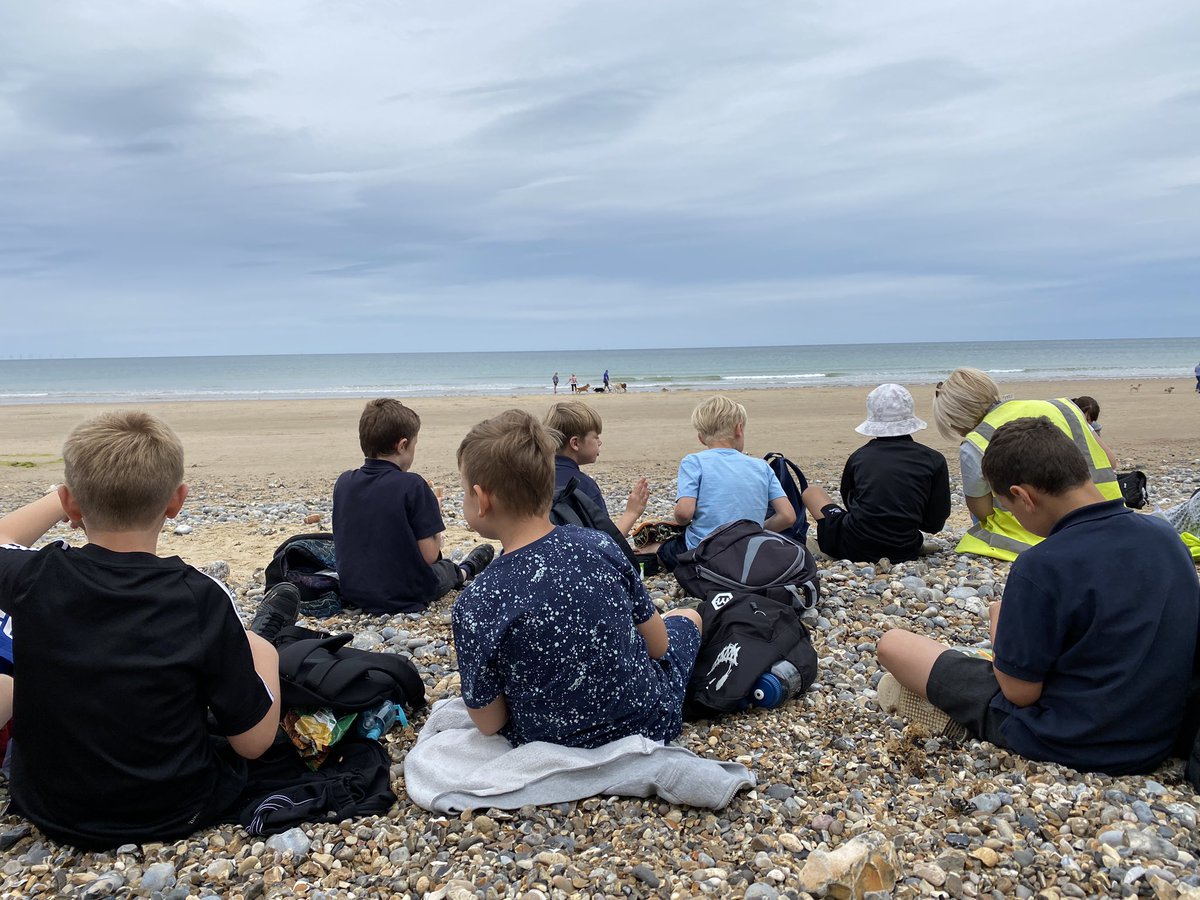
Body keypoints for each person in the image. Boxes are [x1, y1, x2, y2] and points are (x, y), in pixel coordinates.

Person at [0, 411, 290, 848]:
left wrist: (62, 500)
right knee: (255, 646)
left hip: (49, 808)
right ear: (177, 502)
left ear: (71, 504)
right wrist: (265, 654)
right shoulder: (201, 596)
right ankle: (264, 639)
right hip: (174, 810)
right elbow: (252, 744)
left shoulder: (32, 577)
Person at [876, 416, 1200, 775]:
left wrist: (1001, 633)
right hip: (1161, 732)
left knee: (894, 644)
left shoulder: (1042, 565)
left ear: (1023, 497)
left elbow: (1020, 693)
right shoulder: (1163, 535)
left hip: (1072, 738)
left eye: (1009, 508)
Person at [451, 409, 703, 748]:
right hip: (648, 722)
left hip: (544, 740)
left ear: (481, 500)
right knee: (688, 617)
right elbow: (658, 646)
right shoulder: (599, 545)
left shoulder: (476, 601)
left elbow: (489, 721)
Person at [931, 367, 1122, 560]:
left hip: (1035, 531)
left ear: (956, 416)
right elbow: (1110, 461)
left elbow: (981, 510)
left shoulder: (975, 442)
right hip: (1109, 513)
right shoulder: (1065, 407)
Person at [333, 399, 494, 614]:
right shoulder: (413, 485)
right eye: (414, 445)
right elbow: (429, 555)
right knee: (444, 569)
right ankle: (465, 570)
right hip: (404, 593)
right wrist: (433, 517)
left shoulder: (344, 482)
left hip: (353, 588)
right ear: (402, 445)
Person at [800, 383, 950, 563]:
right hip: (905, 548)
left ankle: (825, 545)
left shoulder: (859, 457)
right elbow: (934, 523)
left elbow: (849, 500)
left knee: (812, 492)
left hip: (853, 545)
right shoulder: (934, 459)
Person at [651, 395, 796, 570]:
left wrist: (681, 523)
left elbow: (684, 513)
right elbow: (788, 516)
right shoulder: (762, 467)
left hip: (702, 552)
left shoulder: (694, 462)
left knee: (662, 549)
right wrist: (758, 530)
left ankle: (650, 552)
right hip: (749, 550)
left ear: (701, 438)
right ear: (739, 429)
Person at [544, 400, 648, 536]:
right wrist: (631, 513)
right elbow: (606, 542)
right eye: (596, 437)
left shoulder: (535, 478)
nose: (600, 442)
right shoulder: (584, 485)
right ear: (575, 443)